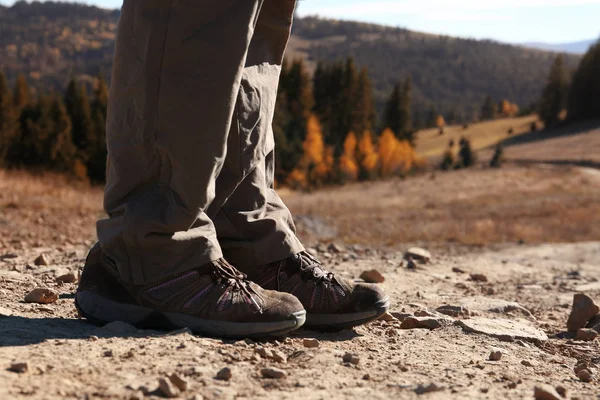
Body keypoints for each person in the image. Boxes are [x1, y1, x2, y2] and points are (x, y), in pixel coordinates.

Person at [76, 0, 389, 339]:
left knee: (256, 19)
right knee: (198, 12)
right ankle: (149, 246)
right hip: (145, 251)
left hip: (243, 232)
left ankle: (242, 236)